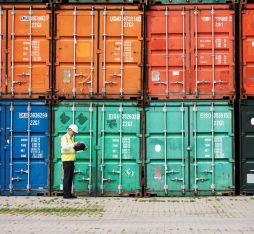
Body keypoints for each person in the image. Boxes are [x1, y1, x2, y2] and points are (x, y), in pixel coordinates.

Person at [61, 124, 80, 199]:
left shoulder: (71, 138)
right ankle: (66, 195)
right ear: (70, 130)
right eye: (74, 132)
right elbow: (65, 147)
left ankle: (69, 193)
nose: (74, 134)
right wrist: (74, 144)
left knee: (70, 178)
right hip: (66, 161)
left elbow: (72, 150)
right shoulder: (64, 137)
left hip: (71, 161)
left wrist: (82, 149)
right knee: (67, 178)